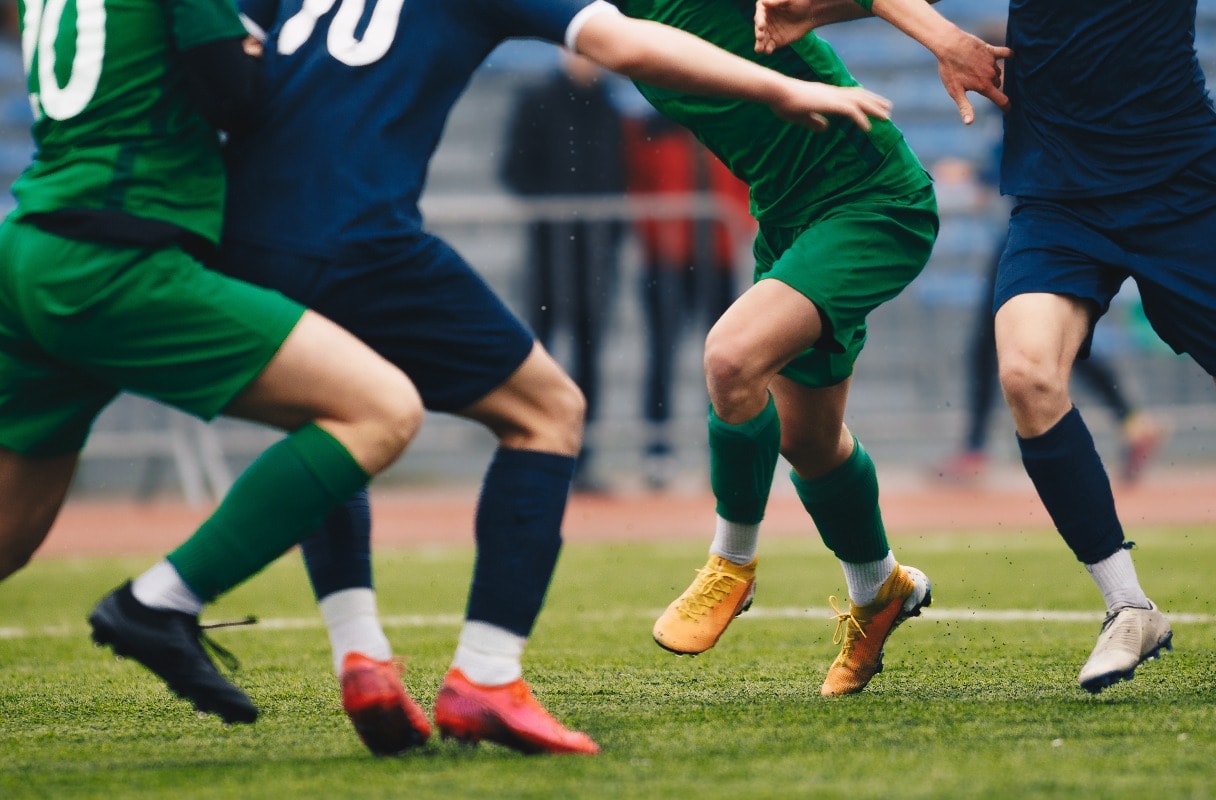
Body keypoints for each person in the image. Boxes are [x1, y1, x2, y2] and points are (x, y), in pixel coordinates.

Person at [223, 0, 893, 755]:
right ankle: (476, 672)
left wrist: (942, 37)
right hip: (369, 235)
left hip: (245, 223)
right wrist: (784, 86)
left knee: (335, 420)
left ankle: (358, 655)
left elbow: (225, 65)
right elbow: (623, 42)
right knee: (548, 410)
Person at [756, 0, 1216, 693]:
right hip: (1059, 198)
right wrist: (831, 17)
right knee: (1025, 373)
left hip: (1186, 195)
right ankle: (1128, 606)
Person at [0, 0, 422, 726]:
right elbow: (233, 93)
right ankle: (156, 604)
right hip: (120, 256)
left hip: (34, 245)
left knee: (10, 532)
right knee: (379, 410)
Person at [606, 0, 1004, 699]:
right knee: (807, 442)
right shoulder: (604, 25)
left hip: (870, 199)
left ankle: (731, 563)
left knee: (730, 357)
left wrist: (948, 41)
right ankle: (879, 588)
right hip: (789, 219)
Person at [930, 152, 1166, 488]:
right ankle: (1132, 420)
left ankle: (975, 449)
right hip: (1051, 227)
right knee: (1052, 344)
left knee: (997, 341)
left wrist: (976, 173)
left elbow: (1027, 157)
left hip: (1035, 231)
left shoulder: (1027, 104)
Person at [499, 48, 631, 493]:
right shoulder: (537, 99)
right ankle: (537, 456)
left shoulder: (608, 106)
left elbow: (619, 177)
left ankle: (582, 460)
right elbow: (514, 170)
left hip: (594, 257)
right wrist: (561, 212)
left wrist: (606, 232)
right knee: (542, 354)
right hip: (548, 252)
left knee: (589, 357)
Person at [621, 112, 751, 490]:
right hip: (667, 260)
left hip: (719, 257)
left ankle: (722, 448)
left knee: (725, 360)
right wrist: (656, 236)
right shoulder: (651, 126)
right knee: (662, 353)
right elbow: (639, 187)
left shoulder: (725, 120)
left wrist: (741, 222)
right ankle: (658, 451)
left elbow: (745, 180)